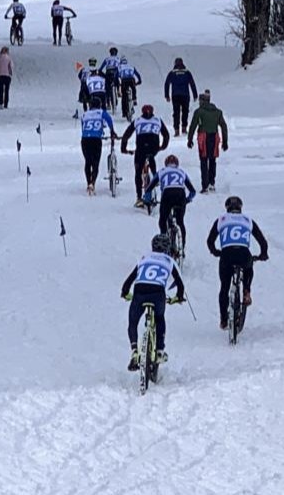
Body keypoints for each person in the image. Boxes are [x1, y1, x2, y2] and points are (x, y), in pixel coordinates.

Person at [120, 234, 187, 371]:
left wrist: (125, 292)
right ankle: (160, 350)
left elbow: (129, 279)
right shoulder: (169, 261)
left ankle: (134, 351)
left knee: (133, 322)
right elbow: (180, 284)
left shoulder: (144, 259)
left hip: (139, 291)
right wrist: (178, 297)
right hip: (158, 293)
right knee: (159, 318)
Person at [206, 196, 268, 330]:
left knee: (224, 288)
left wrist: (215, 251)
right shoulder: (248, 220)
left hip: (226, 255)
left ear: (227, 208)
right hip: (243, 254)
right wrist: (263, 254)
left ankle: (223, 320)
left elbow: (210, 240)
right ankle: (246, 290)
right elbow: (262, 240)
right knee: (248, 266)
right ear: (240, 208)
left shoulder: (221, 220)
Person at [120, 104, 170, 207]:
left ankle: (139, 197)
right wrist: (163, 146)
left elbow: (126, 136)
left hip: (141, 148)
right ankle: (155, 175)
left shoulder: (137, 120)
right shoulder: (158, 120)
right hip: (154, 147)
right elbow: (166, 135)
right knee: (151, 155)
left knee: (138, 173)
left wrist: (123, 149)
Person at [145, 154, 197, 252]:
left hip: (167, 194)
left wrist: (147, 200)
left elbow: (149, 189)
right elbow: (193, 191)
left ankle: (164, 242)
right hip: (180, 194)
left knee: (162, 220)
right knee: (180, 221)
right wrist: (187, 200)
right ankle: (183, 246)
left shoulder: (162, 171)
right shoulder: (182, 172)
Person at [186, 89, 228, 193]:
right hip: (214, 137)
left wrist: (189, 139)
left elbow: (193, 126)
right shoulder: (218, 112)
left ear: (202, 101)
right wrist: (225, 141)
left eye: (200, 101)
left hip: (203, 138)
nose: (199, 102)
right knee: (213, 160)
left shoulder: (199, 112)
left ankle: (204, 186)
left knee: (203, 161)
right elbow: (223, 126)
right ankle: (212, 183)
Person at [80, 102, 116, 195]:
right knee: (96, 162)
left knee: (88, 162)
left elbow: (82, 126)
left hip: (85, 139)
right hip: (96, 139)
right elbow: (109, 120)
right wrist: (112, 132)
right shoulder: (101, 112)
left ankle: (88, 182)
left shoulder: (85, 114)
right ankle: (93, 183)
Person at [164, 58, 199, 136]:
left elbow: (167, 84)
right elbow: (192, 83)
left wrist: (167, 95)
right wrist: (195, 95)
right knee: (185, 112)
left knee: (176, 112)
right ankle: (184, 128)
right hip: (185, 95)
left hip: (175, 95)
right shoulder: (187, 73)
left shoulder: (172, 73)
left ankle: (176, 130)